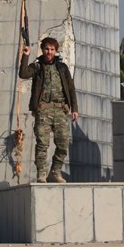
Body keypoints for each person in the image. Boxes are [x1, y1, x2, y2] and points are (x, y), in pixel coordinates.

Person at [19, 36, 79, 183]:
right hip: (43, 110)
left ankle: (55, 172)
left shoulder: (62, 68)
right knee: (42, 144)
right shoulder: (37, 67)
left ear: (56, 51)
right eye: (46, 49)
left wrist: (74, 108)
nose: (49, 52)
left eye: (52, 49)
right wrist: (26, 55)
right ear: (42, 50)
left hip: (60, 110)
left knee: (63, 143)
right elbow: (23, 74)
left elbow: (71, 88)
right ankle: (41, 174)